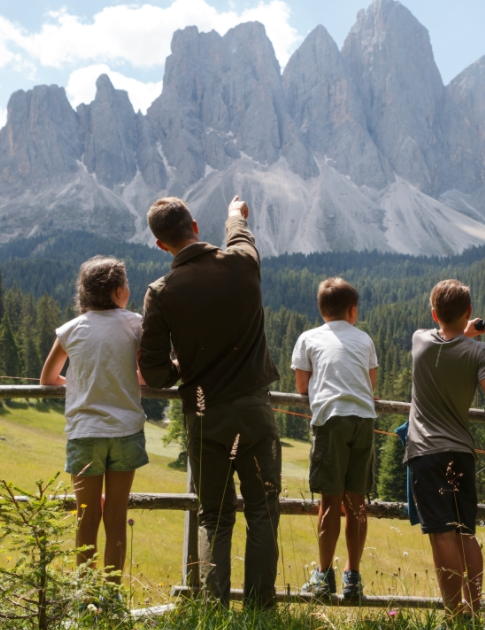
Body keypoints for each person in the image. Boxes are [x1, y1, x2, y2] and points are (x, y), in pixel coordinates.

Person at [138, 196, 281, 609]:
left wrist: (186, 362)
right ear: (196, 225)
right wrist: (235, 215)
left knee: (214, 518)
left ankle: (212, 612)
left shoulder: (161, 292)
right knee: (262, 512)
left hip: (204, 418)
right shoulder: (242, 262)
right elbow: (241, 235)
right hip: (255, 411)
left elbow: (157, 373)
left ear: (161, 245)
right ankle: (260, 609)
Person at [405, 279, 485, 618]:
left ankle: (455, 615)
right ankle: (474, 610)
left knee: (442, 535)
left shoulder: (419, 340)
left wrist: (465, 329)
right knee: (466, 532)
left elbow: (448, 340)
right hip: (461, 450)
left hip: (425, 452)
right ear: (468, 311)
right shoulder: (478, 353)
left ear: (434, 313)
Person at [40, 256, 148, 583]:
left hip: (85, 432)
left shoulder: (71, 329)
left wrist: (77, 384)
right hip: (126, 431)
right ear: (118, 291)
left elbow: (48, 378)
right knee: (116, 517)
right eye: (126, 285)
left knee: (86, 517)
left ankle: (85, 597)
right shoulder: (135, 324)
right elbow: (144, 377)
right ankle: (111, 597)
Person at [291, 277, 378, 599]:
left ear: (321, 309)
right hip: (364, 419)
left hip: (330, 420)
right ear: (352, 311)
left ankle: (323, 576)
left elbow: (302, 387)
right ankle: (352, 578)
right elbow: (370, 386)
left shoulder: (308, 338)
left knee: (329, 502)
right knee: (357, 503)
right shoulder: (364, 339)